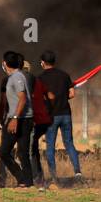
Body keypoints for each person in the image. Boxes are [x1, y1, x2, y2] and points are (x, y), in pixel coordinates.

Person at [40, 50, 83, 180]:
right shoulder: (64, 75)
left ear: (43, 63)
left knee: (50, 146)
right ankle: (77, 172)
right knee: (69, 143)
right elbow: (72, 94)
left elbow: (41, 98)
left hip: (51, 116)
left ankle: (53, 175)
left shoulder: (41, 78)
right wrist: (62, 98)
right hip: (65, 114)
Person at [0, 50, 33, 187]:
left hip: (20, 119)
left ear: (5, 63)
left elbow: (23, 98)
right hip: (23, 118)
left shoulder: (16, 77)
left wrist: (14, 118)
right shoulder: (16, 76)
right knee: (23, 153)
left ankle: (22, 179)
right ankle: (27, 182)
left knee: (3, 152)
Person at [28, 61, 52, 187]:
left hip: (34, 120)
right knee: (33, 148)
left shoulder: (23, 82)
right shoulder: (37, 81)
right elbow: (51, 96)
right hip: (44, 120)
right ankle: (38, 176)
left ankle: (37, 179)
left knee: (30, 150)